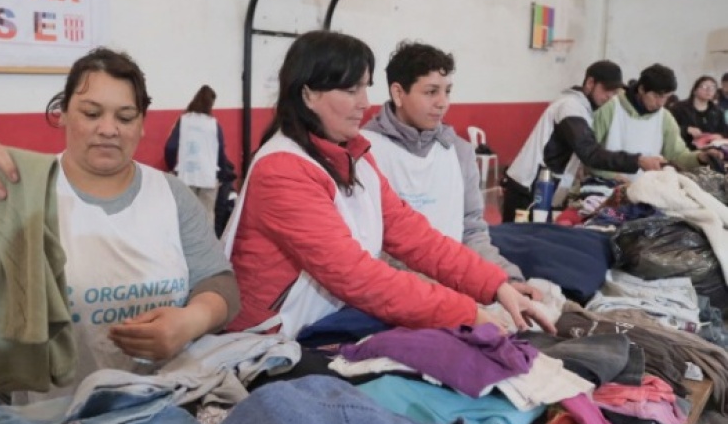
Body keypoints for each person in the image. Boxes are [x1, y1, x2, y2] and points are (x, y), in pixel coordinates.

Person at [0, 47, 239, 401]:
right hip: (48, 421)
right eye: (91, 113)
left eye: (126, 116)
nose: (108, 129)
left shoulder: (169, 194)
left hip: (163, 401)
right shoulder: (21, 191)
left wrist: (192, 320)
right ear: (63, 115)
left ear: (142, 124)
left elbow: (219, 283)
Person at [222, 30, 554, 338]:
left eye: (365, 87)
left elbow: (415, 236)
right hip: (274, 337)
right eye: (351, 90)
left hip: (326, 317)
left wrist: (495, 286)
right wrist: (465, 312)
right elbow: (356, 275)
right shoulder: (282, 170)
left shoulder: (356, 157)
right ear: (308, 94)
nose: (364, 102)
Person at [360, 41, 531, 290]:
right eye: (431, 92)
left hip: (454, 285)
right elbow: (362, 245)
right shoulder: (364, 151)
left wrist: (505, 279)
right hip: (394, 291)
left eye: (447, 91)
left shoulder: (459, 152)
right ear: (398, 93)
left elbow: (472, 232)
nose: (443, 103)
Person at [501, 60, 666, 222]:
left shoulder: (582, 108)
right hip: (529, 189)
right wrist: (638, 160)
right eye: (607, 89)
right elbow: (590, 153)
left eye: (615, 91)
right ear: (590, 82)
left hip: (542, 188)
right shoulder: (570, 107)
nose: (610, 96)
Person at [592, 63, 723, 178]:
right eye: (657, 96)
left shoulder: (664, 117)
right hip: (607, 186)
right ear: (642, 89)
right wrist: (614, 176)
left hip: (646, 189)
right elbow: (589, 154)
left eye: (666, 97)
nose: (661, 103)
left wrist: (700, 157)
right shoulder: (610, 108)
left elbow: (678, 155)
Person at [164, 85, 233, 229]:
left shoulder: (183, 121)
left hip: (186, 176)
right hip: (208, 177)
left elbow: (170, 147)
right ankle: (206, 250)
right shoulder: (214, 125)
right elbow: (220, 151)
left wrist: (173, 168)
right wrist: (221, 175)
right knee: (206, 218)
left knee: (185, 217)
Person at [669, 75, 728, 149]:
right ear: (695, 90)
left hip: (711, 149)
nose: (709, 90)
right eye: (704, 86)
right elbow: (668, 129)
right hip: (685, 149)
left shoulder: (718, 111)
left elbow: (724, 130)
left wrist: (719, 136)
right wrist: (686, 129)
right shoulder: (679, 108)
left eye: (713, 87)